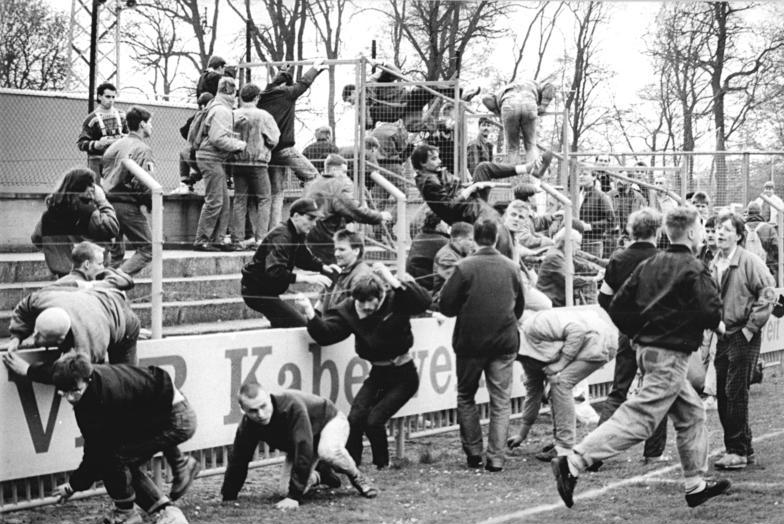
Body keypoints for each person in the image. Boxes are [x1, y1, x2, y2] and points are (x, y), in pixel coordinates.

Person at [551, 206, 730, 509]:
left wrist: (638, 333)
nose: (703, 233)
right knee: (643, 418)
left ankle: (696, 485)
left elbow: (614, 303)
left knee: (691, 415)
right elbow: (710, 309)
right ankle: (573, 463)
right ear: (690, 232)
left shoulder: (651, 263)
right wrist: (717, 324)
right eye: (701, 228)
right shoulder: (694, 267)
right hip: (670, 356)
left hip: (649, 350)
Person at [298, 263, 431, 468]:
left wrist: (391, 279)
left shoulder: (397, 301)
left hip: (403, 375)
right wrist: (309, 312)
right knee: (355, 417)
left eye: (371, 302)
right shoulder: (348, 310)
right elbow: (327, 334)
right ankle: (351, 464)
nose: (367, 307)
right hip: (378, 373)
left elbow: (422, 302)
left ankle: (382, 465)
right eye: (362, 303)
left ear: (381, 297)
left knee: (374, 421)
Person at [49, 353, 196, 524]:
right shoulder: (89, 387)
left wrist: (73, 485)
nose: (69, 398)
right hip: (165, 408)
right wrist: (74, 485)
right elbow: (94, 447)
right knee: (119, 457)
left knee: (113, 458)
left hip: (176, 418)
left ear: (87, 379)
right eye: (62, 392)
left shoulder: (108, 396)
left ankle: (129, 512)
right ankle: (161, 508)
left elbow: (97, 452)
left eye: (73, 391)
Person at [439, 218, 525, 472]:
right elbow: (519, 307)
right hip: (504, 341)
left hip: (471, 342)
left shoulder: (464, 267)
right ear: (497, 237)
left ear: (475, 238)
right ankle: (496, 458)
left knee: (466, 395)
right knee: (501, 401)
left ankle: (474, 453)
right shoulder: (511, 267)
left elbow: (446, 306)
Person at [221, 383, 378, 509]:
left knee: (328, 451)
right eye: (253, 411)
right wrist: (229, 495)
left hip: (329, 422)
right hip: (303, 440)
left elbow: (303, 448)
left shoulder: (291, 405)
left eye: (263, 406)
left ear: (269, 398)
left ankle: (358, 478)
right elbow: (238, 459)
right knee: (284, 491)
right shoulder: (248, 425)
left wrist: (294, 497)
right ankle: (321, 475)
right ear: (243, 410)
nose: (261, 415)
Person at [595, 208, 668, 468]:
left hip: (628, 332)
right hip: (656, 335)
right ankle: (654, 452)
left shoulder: (618, 259)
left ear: (630, 231)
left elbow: (604, 297)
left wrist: (622, 320)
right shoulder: (664, 259)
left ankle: (596, 450)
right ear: (657, 231)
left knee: (618, 391)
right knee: (657, 392)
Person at [710, 212, 774, 470]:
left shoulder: (750, 262)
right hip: (723, 335)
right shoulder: (714, 262)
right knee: (724, 395)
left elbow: (768, 294)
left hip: (743, 334)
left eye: (726, 229)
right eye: (717, 228)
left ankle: (736, 451)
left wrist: (750, 328)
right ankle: (741, 448)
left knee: (735, 393)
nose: (720, 233)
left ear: (738, 235)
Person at [508, 308, 618, 458]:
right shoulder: (525, 357)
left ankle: (564, 447)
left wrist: (561, 363)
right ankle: (560, 442)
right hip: (592, 342)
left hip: (598, 339)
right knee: (556, 387)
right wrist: (522, 434)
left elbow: (577, 330)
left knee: (561, 383)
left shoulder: (535, 325)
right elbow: (534, 393)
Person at [240, 198, 336, 328]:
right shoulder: (282, 236)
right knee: (299, 325)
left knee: (283, 323)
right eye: (310, 218)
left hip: (266, 291)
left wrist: (323, 267)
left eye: (316, 219)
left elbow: (304, 258)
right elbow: (275, 271)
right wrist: (309, 279)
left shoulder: (296, 232)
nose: (314, 224)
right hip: (256, 292)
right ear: (296, 216)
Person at [410, 145, 516, 259]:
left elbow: (451, 193)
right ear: (422, 163)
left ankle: (524, 168)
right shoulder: (429, 182)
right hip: (468, 211)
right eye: (434, 159)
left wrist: (469, 188)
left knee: (483, 168)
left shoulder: (432, 175)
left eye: (438, 157)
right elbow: (449, 206)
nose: (439, 161)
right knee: (497, 225)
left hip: (470, 203)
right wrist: (472, 188)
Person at [259, 60, 327, 227]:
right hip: (284, 148)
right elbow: (303, 83)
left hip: (269, 151)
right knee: (312, 176)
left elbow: (284, 82)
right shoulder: (286, 95)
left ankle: (273, 229)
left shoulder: (263, 96)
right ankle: (303, 216)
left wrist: (283, 72)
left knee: (277, 193)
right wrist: (316, 68)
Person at [31, 168, 119, 277]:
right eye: (90, 185)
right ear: (80, 188)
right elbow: (112, 228)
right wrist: (102, 201)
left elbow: (36, 238)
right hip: (89, 275)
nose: (94, 188)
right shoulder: (89, 212)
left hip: (63, 275)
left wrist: (57, 252)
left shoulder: (48, 215)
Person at [192, 77, 247, 252]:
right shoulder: (222, 110)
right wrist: (239, 144)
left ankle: (217, 239)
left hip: (210, 157)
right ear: (232, 91)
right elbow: (217, 138)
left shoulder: (214, 106)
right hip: (211, 157)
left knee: (223, 201)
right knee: (215, 201)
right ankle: (202, 239)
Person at [304, 154, 391, 264]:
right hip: (327, 235)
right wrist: (380, 216)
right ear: (334, 170)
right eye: (344, 172)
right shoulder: (336, 186)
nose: (346, 176)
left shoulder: (315, 183)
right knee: (350, 258)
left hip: (312, 235)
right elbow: (356, 211)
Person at [100, 105, 156, 275]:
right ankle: (113, 281)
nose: (151, 126)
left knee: (116, 252)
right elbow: (143, 183)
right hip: (127, 205)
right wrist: (152, 203)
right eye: (150, 123)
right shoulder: (143, 149)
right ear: (142, 124)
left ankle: (101, 288)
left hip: (107, 203)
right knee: (148, 248)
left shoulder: (114, 146)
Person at [230, 83, 280, 249]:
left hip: (237, 161)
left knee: (239, 199)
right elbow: (273, 138)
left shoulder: (233, 114)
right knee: (264, 199)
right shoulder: (263, 115)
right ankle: (260, 239)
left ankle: (237, 239)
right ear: (257, 97)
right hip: (258, 162)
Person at [481, 79, 555, 166]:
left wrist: (498, 112)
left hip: (508, 104)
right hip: (529, 103)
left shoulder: (504, 89)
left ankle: (513, 175)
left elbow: (486, 99)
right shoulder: (534, 84)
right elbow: (549, 86)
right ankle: (535, 177)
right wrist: (543, 105)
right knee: (531, 146)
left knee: (512, 148)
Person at [77, 82, 128, 179]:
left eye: (113, 97)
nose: (111, 100)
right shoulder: (91, 119)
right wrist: (97, 144)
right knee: (98, 190)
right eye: (108, 97)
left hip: (117, 160)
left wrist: (125, 138)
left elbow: (130, 135)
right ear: (99, 97)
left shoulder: (122, 115)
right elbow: (81, 143)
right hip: (98, 161)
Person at [535, 227, 596, 307]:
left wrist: (602, 270)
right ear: (568, 242)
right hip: (552, 304)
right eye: (578, 243)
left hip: (557, 302)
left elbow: (583, 265)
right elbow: (570, 281)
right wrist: (595, 279)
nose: (579, 247)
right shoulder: (555, 257)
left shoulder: (563, 255)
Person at [318, 229, 373, 312]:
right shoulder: (343, 271)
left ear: (356, 251)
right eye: (335, 249)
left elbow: (351, 313)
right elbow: (323, 308)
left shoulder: (361, 275)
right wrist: (329, 288)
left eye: (341, 250)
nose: (336, 254)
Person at [173, 92, 214, 194]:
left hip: (205, 155)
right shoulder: (219, 113)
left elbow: (184, 131)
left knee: (184, 153)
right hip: (214, 156)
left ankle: (186, 183)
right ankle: (189, 181)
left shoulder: (200, 115)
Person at [406, 210, 450, 291]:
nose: (448, 224)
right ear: (438, 225)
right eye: (446, 222)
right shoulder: (444, 242)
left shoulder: (418, 237)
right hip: (429, 284)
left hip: (413, 280)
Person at [577, 168, 615, 258]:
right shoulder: (576, 195)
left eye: (585, 174)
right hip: (576, 241)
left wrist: (590, 226)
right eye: (579, 174)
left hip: (593, 243)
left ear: (594, 177)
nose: (581, 176)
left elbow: (611, 221)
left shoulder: (601, 196)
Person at [432, 221, 474, 300]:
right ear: (459, 240)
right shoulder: (446, 257)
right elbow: (458, 283)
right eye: (470, 240)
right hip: (443, 300)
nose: (473, 244)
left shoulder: (462, 253)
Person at [607, 171, 646, 251]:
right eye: (617, 178)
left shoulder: (639, 197)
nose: (618, 181)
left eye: (622, 178)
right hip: (613, 238)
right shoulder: (609, 196)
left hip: (633, 238)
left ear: (631, 181)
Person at [743, 201, 778, 280]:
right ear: (760, 212)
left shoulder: (741, 228)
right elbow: (776, 250)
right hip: (765, 271)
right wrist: (772, 268)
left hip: (745, 272)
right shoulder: (769, 229)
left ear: (748, 213)